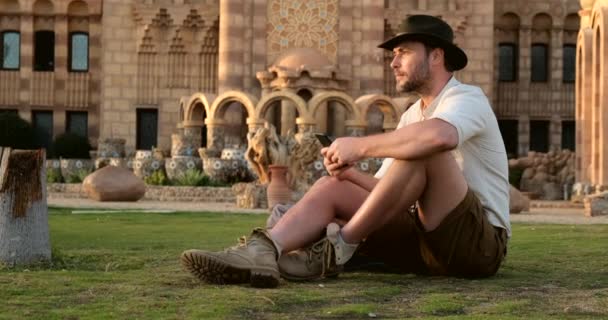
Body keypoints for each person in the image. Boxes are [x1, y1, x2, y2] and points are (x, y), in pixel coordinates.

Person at [180, 14, 510, 288]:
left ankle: (336, 248)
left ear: (436, 56)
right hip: (425, 242)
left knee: (424, 148)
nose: (393, 62)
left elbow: (440, 138)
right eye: (393, 55)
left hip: (478, 246)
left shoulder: (466, 99)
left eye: (403, 52)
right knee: (332, 187)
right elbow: (388, 192)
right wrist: (349, 173)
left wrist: (360, 147)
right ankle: (263, 249)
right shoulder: (412, 115)